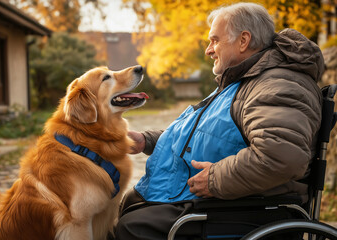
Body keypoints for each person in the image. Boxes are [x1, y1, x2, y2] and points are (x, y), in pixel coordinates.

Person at [114, 2, 324, 239]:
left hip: (252, 209)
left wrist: (215, 179)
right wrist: (146, 140)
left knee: (133, 226)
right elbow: (209, 134)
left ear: (243, 41)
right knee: (128, 204)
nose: (208, 50)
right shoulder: (245, 80)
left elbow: (281, 157)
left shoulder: (277, 84)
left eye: (215, 40)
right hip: (231, 200)